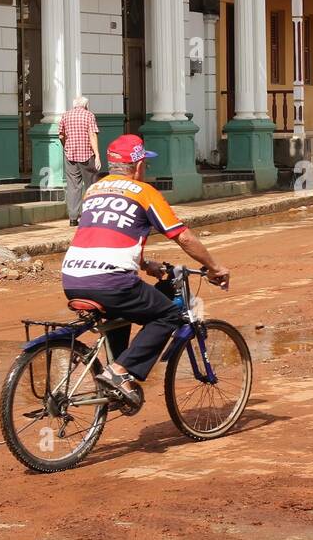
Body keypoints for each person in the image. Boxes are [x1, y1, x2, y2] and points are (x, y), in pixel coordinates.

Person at [61, 134, 230, 411]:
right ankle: (119, 371)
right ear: (138, 165)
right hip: (111, 281)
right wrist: (214, 267)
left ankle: (115, 381)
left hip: (72, 278)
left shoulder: (95, 189)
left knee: (120, 312)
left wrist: (145, 264)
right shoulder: (145, 193)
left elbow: (112, 233)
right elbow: (183, 237)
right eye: (145, 165)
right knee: (169, 315)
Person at [58, 96, 101, 226]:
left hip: (70, 155)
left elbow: (61, 135)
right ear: (86, 105)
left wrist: (66, 146)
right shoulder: (89, 115)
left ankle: (72, 218)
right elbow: (92, 135)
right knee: (91, 185)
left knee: (73, 186)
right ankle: (90, 215)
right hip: (86, 155)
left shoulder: (66, 115)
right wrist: (97, 155)